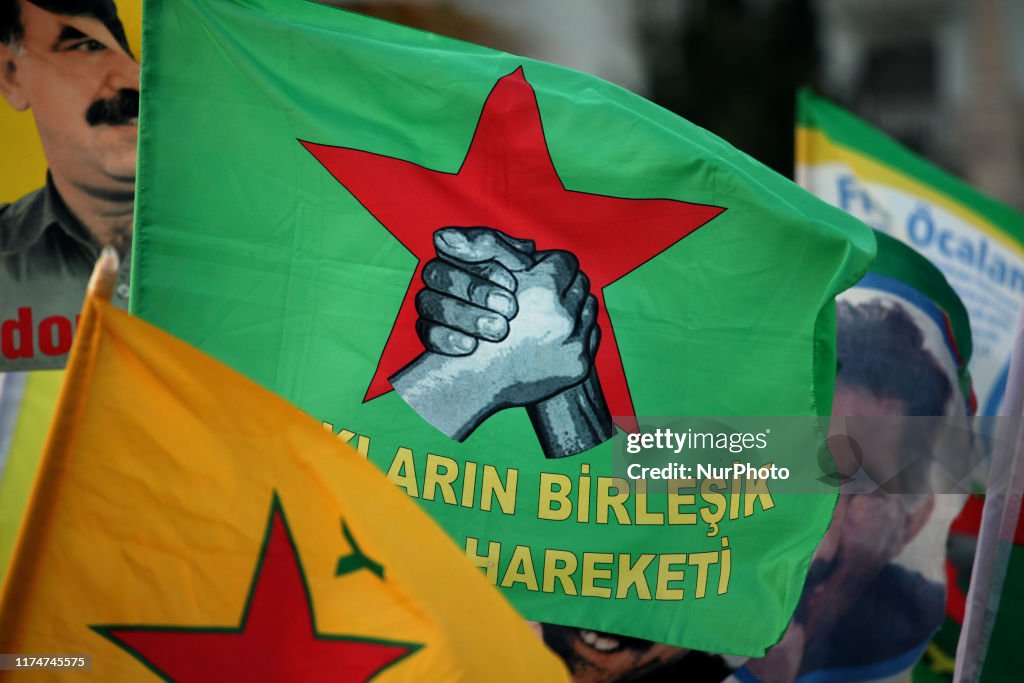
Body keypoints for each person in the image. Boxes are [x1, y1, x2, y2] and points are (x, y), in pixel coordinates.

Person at [0, 0, 138, 371]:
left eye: (138, 54)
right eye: (87, 46)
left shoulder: (259, 247)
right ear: (11, 74)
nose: (133, 77)